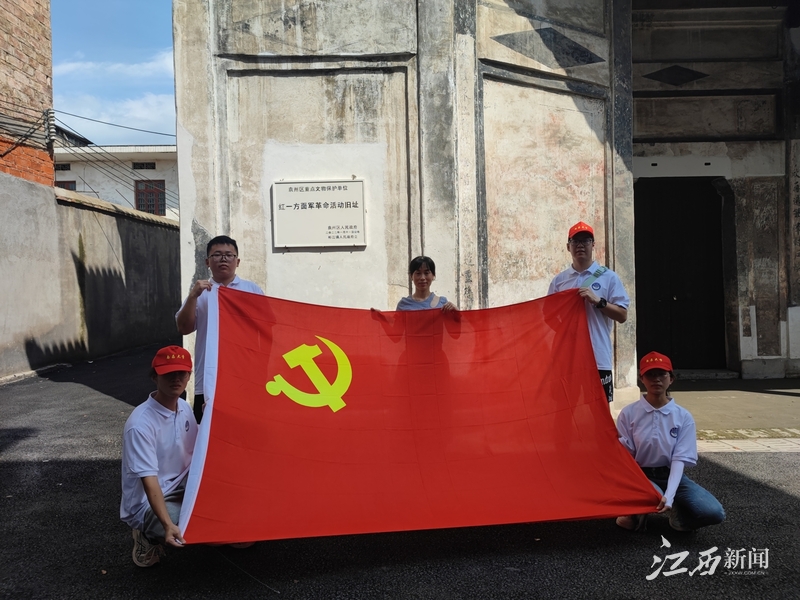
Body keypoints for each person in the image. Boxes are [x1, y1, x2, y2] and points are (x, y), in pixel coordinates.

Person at [615, 351, 725, 532]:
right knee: (654, 497)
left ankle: (678, 516)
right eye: (650, 374)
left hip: (671, 475)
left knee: (714, 512)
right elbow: (627, 455)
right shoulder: (629, 413)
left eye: (662, 374)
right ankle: (636, 512)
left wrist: (671, 494)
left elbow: (679, 459)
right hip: (640, 475)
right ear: (642, 379)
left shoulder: (683, 416)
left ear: (671, 379)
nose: (656, 379)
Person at [120, 346, 197, 567]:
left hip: (184, 482)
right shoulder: (140, 424)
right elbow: (149, 481)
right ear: (155, 377)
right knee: (189, 527)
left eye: (182, 373)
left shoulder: (184, 407)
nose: (176, 378)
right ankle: (147, 535)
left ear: (189, 376)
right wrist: (167, 525)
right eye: (169, 373)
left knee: (226, 513)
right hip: (150, 499)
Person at [176, 235, 264, 423]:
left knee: (245, 428)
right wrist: (193, 296)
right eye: (217, 255)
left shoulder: (252, 290)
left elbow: (266, 327)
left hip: (244, 375)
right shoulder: (200, 292)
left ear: (237, 261)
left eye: (229, 255)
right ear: (207, 261)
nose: (223, 259)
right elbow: (183, 328)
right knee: (207, 430)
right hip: (208, 376)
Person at [547, 222, 629, 402]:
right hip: (568, 358)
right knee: (565, 409)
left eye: (585, 241)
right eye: (575, 241)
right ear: (568, 246)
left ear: (593, 245)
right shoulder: (559, 281)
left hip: (598, 357)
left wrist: (599, 302)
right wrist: (567, 329)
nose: (580, 245)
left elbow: (622, 315)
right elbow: (548, 316)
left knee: (599, 411)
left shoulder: (609, 277)